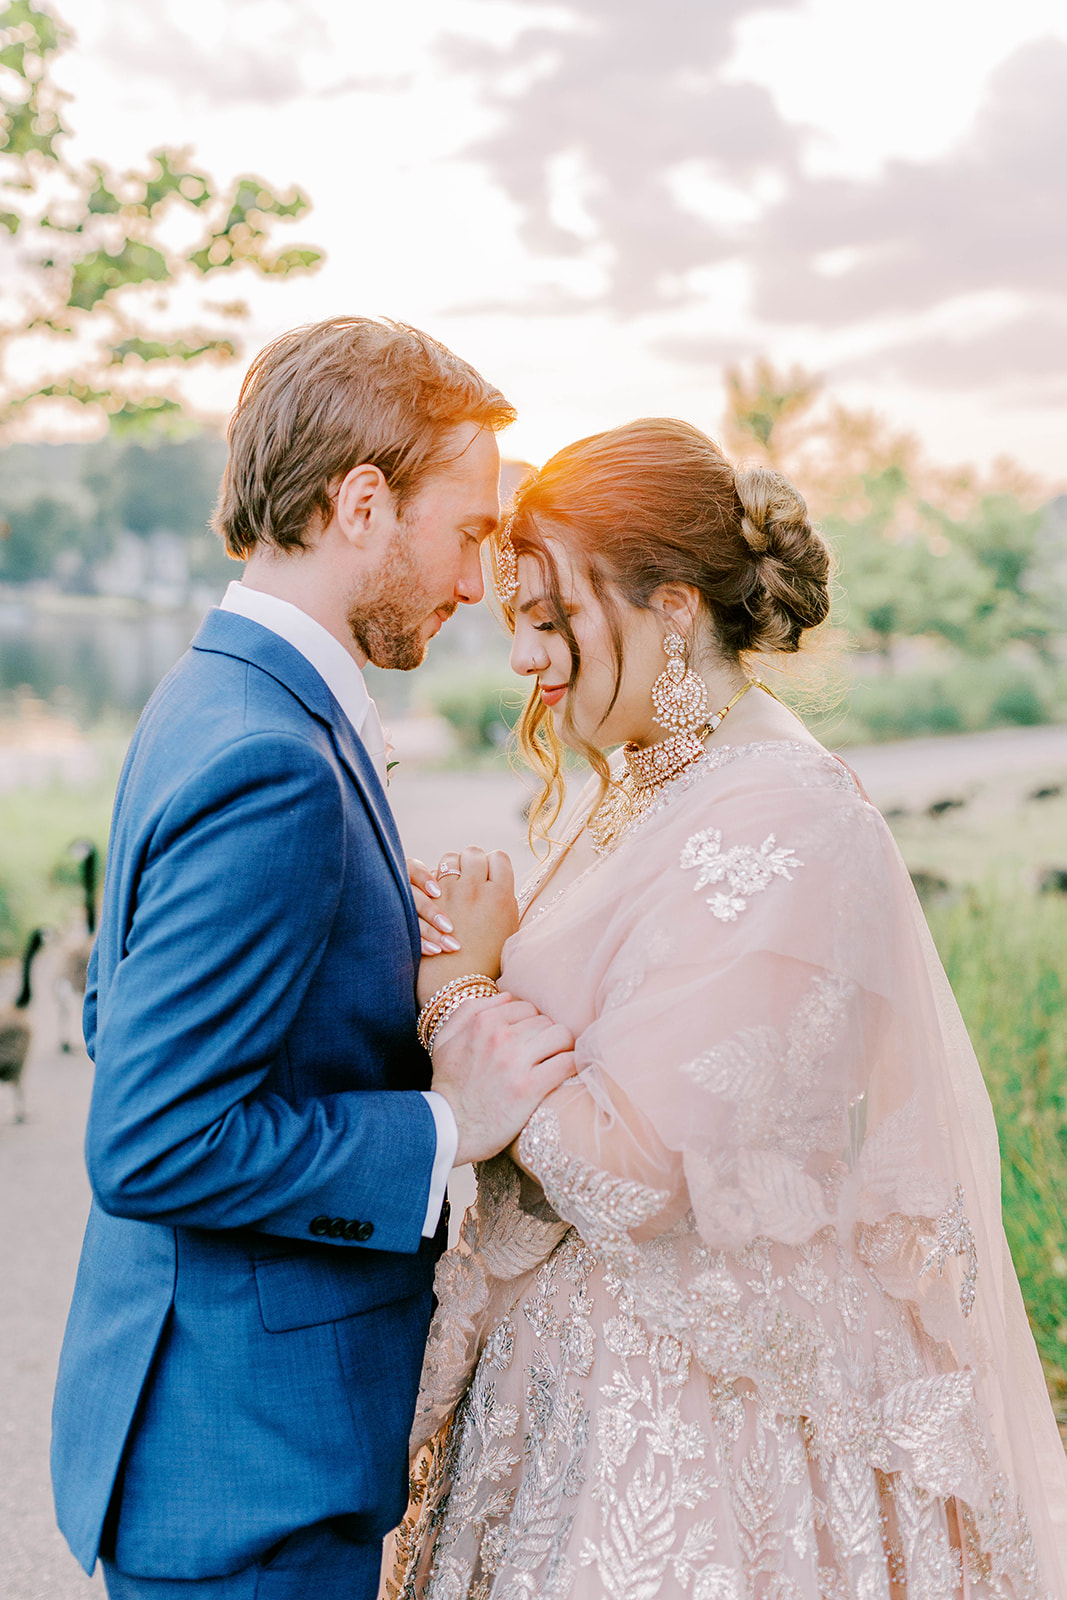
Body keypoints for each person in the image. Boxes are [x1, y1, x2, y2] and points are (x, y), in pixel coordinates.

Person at [389, 418, 1067, 1598]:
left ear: (670, 608)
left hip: (710, 1419)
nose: (525, 656)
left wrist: (460, 999)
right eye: (516, 621)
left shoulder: (782, 814)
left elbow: (632, 1167)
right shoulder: (644, 787)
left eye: (552, 616)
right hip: (578, 1393)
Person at [50, 316, 576, 1600]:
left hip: (220, 1432)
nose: (474, 583)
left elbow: (123, 1011)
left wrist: (373, 940)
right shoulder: (271, 760)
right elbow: (150, 1141)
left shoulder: (215, 691)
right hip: (247, 1469)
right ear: (362, 505)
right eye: (466, 533)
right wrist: (447, 1124)